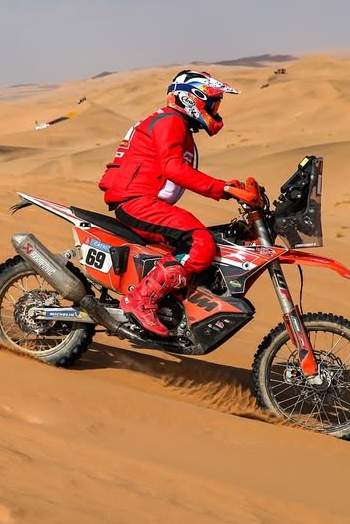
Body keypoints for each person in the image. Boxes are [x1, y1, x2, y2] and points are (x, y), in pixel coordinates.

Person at [98, 69, 263, 336]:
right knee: (200, 242)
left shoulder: (173, 122)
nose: (215, 110)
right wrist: (221, 188)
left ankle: (171, 304)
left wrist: (227, 188)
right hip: (137, 201)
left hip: (142, 200)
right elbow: (174, 169)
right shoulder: (170, 121)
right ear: (192, 98)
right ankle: (141, 300)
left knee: (210, 239)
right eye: (213, 103)